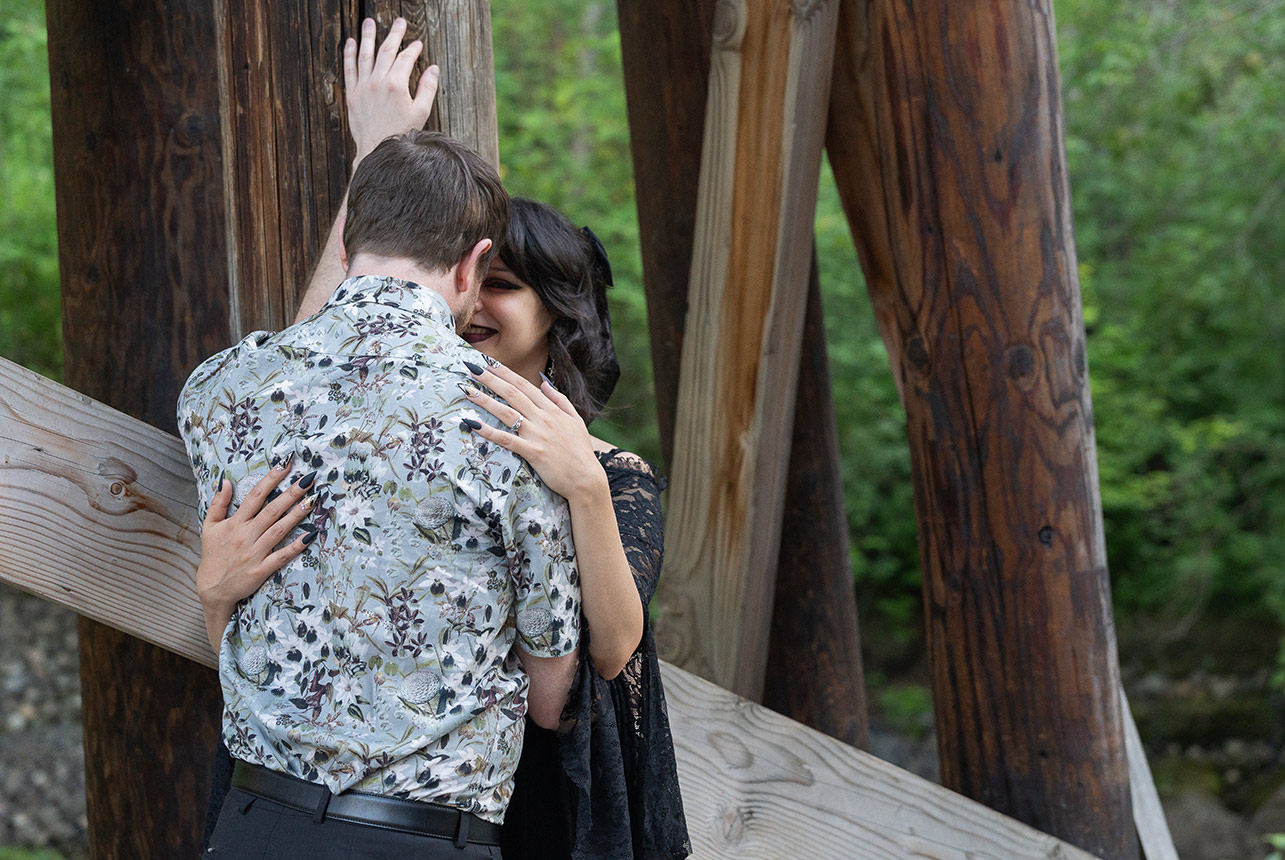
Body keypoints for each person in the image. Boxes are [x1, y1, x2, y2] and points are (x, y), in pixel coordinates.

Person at [195, 18, 690, 860]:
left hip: (534, 798)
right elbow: (314, 374)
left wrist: (584, 485)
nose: (474, 305)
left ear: (556, 314)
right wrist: (215, 592)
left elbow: (610, 655)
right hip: (373, 801)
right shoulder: (393, 414)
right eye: (476, 280)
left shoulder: (602, 473)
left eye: (506, 287)